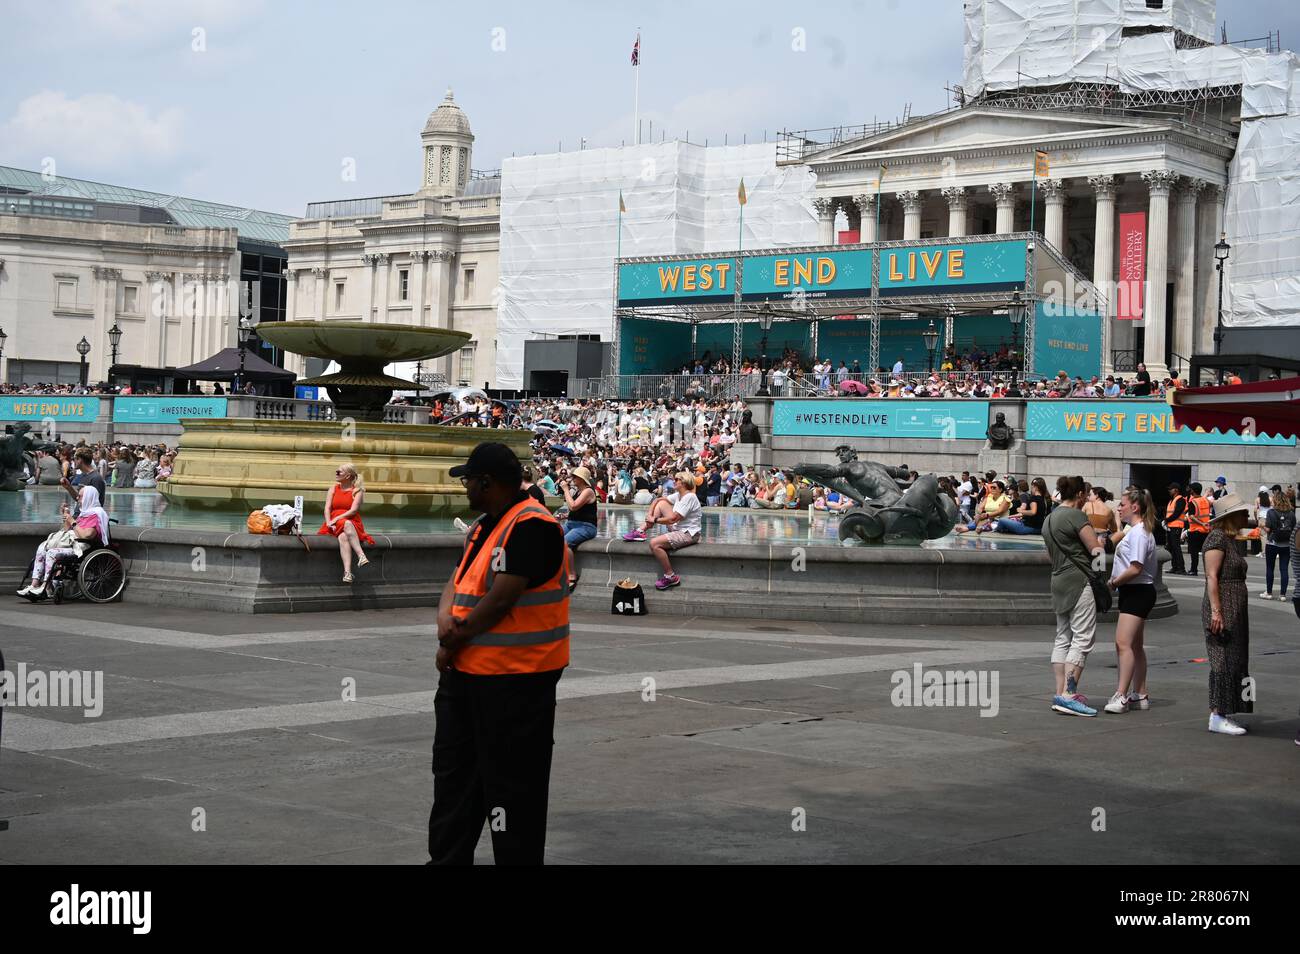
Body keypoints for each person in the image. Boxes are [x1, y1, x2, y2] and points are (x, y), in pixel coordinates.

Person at [431, 442, 569, 865]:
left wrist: (453, 638)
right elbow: (456, 582)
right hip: (466, 677)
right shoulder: (483, 526)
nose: (465, 487)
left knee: (513, 791)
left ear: (487, 482)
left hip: (516, 682)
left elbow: (502, 598)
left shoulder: (533, 525)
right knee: (455, 783)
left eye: (468, 479)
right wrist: (445, 625)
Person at [1043, 476, 1103, 717]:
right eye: (1086, 494)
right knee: (1082, 638)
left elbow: (1050, 555)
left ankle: (1060, 693)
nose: (1088, 498)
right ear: (1079, 494)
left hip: (1057, 580)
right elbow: (1096, 549)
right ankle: (1069, 695)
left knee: (1063, 637)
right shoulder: (1077, 516)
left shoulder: (1049, 518)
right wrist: (1100, 577)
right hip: (1079, 580)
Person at [1201, 493, 1254, 736]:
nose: (1248, 515)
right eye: (1243, 512)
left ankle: (1228, 709)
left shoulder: (1230, 539)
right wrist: (1216, 611)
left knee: (1235, 657)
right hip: (1223, 604)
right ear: (1232, 517)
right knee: (1222, 658)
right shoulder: (1217, 538)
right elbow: (1211, 576)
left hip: (1234, 605)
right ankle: (1217, 713)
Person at [1104, 488, 1157, 714]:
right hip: (1137, 591)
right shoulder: (1138, 531)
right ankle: (1140, 693)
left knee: (1122, 644)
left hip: (1137, 591)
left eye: (1122, 505)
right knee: (1134, 645)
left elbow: (1136, 567)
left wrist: (1114, 582)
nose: (1118, 508)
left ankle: (1121, 695)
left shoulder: (1138, 533)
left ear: (1134, 507)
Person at [18, 485, 110, 600]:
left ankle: (46, 587)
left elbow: (87, 535)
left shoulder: (97, 514)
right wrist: (66, 515)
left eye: (80, 496)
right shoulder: (84, 513)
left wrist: (73, 522)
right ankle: (34, 584)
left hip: (83, 547)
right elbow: (67, 530)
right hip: (72, 542)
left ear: (88, 497)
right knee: (42, 547)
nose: (77, 499)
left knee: (52, 552)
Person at [622, 472, 701, 590]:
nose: (674, 481)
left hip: (688, 533)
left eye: (676, 479)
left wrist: (654, 519)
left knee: (654, 543)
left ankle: (670, 576)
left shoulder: (689, 497)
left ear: (684, 482)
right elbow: (657, 500)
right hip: (678, 528)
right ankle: (640, 531)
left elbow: (674, 518)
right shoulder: (679, 495)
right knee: (662, 503)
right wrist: (649, 514)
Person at [317, 463, 374, 583]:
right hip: (333, 522)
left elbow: (353, 510)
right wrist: (329, 522)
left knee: (346, 527)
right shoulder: (333, 489)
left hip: (352, 522)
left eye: (339, 472)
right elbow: (327, 508)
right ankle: (348, 572)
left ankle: (360, 556)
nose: (336, 473)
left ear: (348, 476)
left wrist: (337, 519)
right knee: (343, 536)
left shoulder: (357, 491)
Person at [558, 466, 598, 592]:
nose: (572, 478)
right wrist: (566, 516)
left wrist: (565, 490)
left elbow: (573, 506)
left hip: (585, 526)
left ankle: (572, 575)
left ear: (582, 479)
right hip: (571, 524)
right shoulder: (578, 491)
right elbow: (574, 510)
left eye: (575, 476)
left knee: (565, 543)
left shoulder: (588, 491)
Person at [1262, 489, 1295, 601]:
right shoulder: (1291, 512)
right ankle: (1282, 595)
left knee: (1270, 568)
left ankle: (1269, 593)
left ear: (1275, 500)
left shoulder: (1271, 512)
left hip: (1273, 543)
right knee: (1284, 569)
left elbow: (1268, 529)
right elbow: (1294, 528)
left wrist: (1262, 526)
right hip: (1286, 544)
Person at [60, 448, 106, 513]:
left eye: (74, 459)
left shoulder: (96, 479)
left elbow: (95, 504)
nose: (73, 462)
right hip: (80, 517)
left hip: (86, 519)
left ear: (80, 460)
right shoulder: (84, 476)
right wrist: (68, 487)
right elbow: (78, 498)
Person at [1185, 481, 1212, 576]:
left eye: (1190, 489)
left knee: (1194, 552)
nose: (1189, 490)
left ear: (1193, 490)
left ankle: (1193, 570)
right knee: (1206, 553)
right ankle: (1209, 571)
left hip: (1195, 530)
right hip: (1205, 531)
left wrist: (1201, 523)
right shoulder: (1206, 500)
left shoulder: (1193, 502)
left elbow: (1192, 516)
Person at [1163, 482, 1187, 575]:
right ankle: (1175, 567)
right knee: (1172, 547)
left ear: (1176, 490)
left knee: (1176, 547)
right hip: (1170, 526)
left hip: (1177, 526)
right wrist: (1166, 521)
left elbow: (1177, 513)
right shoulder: (1171, 500)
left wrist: (1166, 520)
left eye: (1171, 489)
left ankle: (1181, 568)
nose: (1169, 490)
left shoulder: (1180, 500)